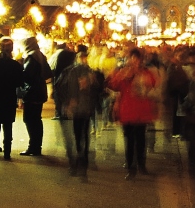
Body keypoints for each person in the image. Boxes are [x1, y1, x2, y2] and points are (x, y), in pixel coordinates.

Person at [107, 48, 157, 179]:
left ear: (140, 60)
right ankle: (131, 167)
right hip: (127, 111)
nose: (134, 61)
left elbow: (152, 84)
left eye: (137, 58)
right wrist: (121, 75)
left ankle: (141, 165)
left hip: (141, 112)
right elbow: (113, 85)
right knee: (129, 141)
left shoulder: (145, 72)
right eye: (132, 58)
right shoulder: (123, 72)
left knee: (141, 140)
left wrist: (142, 78)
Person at [56, 45, 99, 178]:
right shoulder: (78, 71)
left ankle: (77, 163)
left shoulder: (82, 71)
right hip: (79, 109)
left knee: (77, 136)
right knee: (80, 136)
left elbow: (59, 88)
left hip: (78, 109)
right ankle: (80, 163)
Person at [20, 37, 50, 156]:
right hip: (40, 91)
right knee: (36, 119)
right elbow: (48, 73)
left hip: (32, 92)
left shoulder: (31, 56)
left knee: (30, 119)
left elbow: (27, 76)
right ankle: (37, 146)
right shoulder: (40, 55)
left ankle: (33, 146)